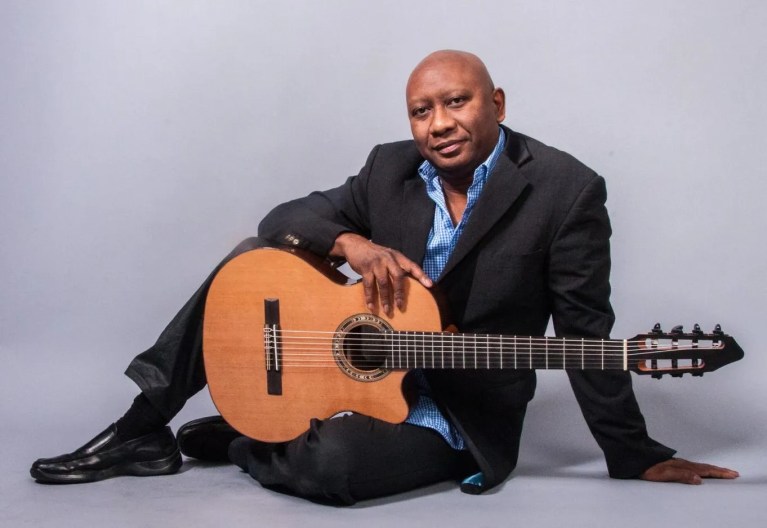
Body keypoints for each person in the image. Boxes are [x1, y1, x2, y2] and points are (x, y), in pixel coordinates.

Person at [30, 50, 738, 504]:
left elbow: (586, 330)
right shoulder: (387, 167)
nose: (437, 124)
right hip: (359, 369)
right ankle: (140, 427)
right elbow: (285, 214)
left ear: (496, 102)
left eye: (455, 102)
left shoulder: (564, 190)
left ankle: (250, 437)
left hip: (456, 406)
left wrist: (631, 453)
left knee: (333, 471)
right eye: (421, 110)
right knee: (247, 261)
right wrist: (352, 243)